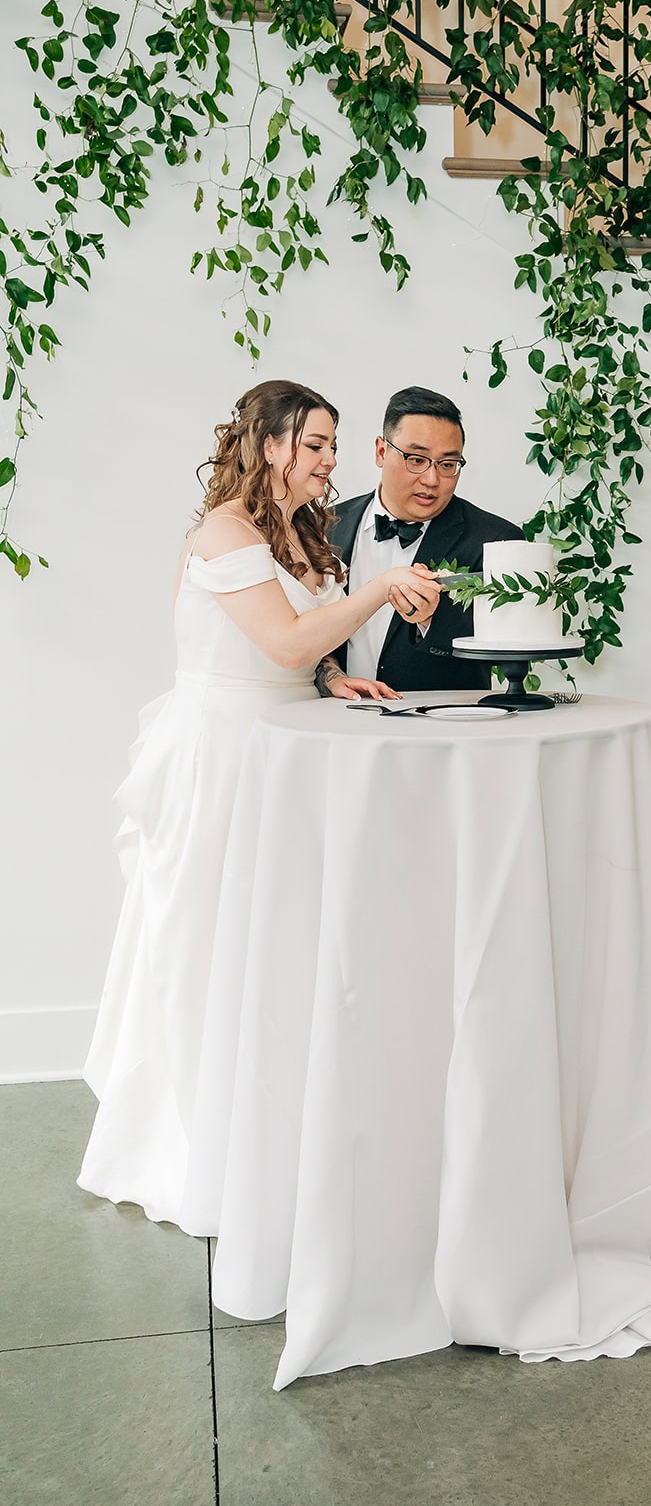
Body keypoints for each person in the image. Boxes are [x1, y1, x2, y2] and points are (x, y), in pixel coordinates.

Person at [78, 379, 440, 1229]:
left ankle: (279, 1130)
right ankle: (203, 1146)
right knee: (208, 948)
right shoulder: (223, 531)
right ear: (270, 445)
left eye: (332, 446)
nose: (329, 461)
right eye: (315, 444)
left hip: (286, 759)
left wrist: (329, 675)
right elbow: (276, 637)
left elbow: (296, 653)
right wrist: (380, 592)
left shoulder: (305, 536)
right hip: (222, 761)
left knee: (278, 949)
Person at [317, 385, 524, 696]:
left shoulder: (496, 540)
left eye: (448, 464)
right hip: (335, 720)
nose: (432, 479)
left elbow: (509, 640)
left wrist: (432, 619)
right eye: (416, 459)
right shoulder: (323, 526)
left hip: (444, 726)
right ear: (381, 452)